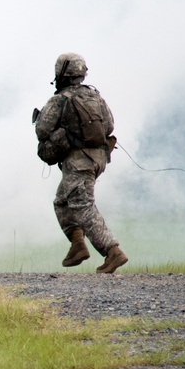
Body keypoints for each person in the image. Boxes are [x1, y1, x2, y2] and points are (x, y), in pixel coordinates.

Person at [34, 53, 128, 274]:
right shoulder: (95, 96)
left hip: (79, 161)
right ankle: (78, 245)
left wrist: (62, 134)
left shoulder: (60, 99)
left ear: (61, 73)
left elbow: (42, 130)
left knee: (82, 205)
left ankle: (112, 251)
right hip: (99, 158)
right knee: (63, 202)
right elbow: (110, 125)